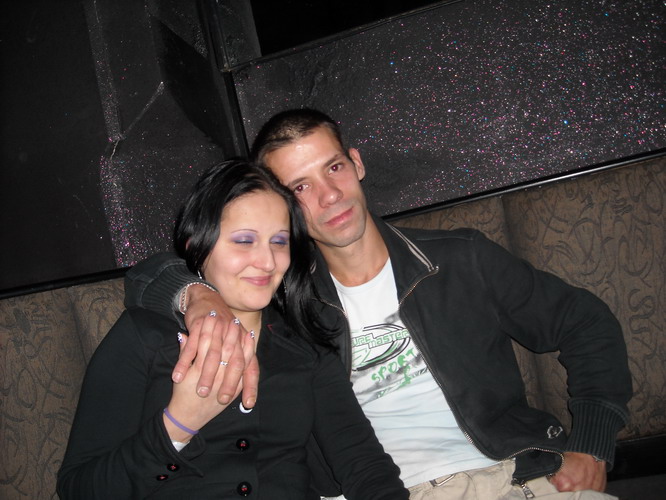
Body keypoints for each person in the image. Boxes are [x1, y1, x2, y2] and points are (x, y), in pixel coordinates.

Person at [124, 109, 632, 500]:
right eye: (301, 187)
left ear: (357, 163)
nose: (329, 196)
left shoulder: (460, 259)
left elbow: (586, 323)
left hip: (510, 477)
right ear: (283, 209)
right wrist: (199, 298)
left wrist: (592, 443)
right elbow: (146, 275)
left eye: (334, 168)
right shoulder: (284, 303)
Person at [57, 160, 408, 499]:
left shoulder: (305, 346)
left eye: (279, 241)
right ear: (197, 245)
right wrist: (179, 424)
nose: (267, 262)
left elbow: (364, 465)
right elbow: (79, 489)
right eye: (244, 240)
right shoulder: (144, 336)